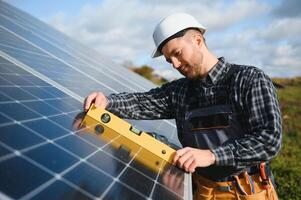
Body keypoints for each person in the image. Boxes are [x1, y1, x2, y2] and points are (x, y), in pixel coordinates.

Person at [83, 13, 281, 199]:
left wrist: (212, 155)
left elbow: (269, 140)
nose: (175, 65)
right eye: (170, 60)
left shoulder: (248, 79)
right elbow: (142, 102)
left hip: (246, 190)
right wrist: (108, 101)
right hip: (200, 190)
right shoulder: (179, 92)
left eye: (177, 54)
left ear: (197, 40)